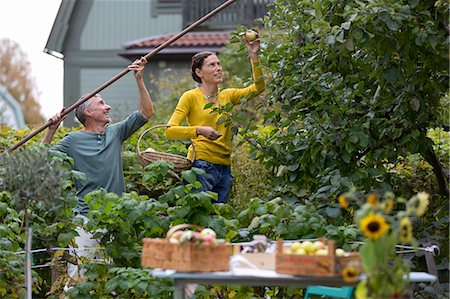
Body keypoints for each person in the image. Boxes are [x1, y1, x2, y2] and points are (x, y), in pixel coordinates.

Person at [42, 56, 153, 283]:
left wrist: (139, 78)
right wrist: (50, 131)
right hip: (85, 220)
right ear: (89, 113)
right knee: (79, 278)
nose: (108, 106)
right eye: (101, 103)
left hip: (116, 218)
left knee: (112, 280)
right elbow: (41, 161)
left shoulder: (116, 133)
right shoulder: (72, 140)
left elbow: (146, 112)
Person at [165, 33, 264, 203]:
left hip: (225, 169)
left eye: (219, 64)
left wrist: (254, 55)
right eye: (212, 65)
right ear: (199, 72)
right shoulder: (190, 97)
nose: (218, 68)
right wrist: (199, 130)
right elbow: (170, 131)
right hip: (201, 166)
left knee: (217, 223)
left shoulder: (228, 95)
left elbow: (258, 87)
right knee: (200, 219)